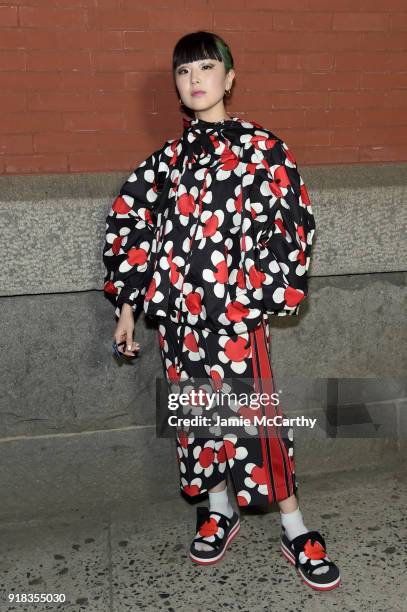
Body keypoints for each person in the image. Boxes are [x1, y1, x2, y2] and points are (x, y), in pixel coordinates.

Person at [103, 31, 341, 591]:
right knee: (196, 419)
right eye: (184, 73)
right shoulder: (164, 163)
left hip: (235, 321)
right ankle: (218, 510)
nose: (196, 81)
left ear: (229, 78)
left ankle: (296, 528)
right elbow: (133, 227)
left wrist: (255, 295)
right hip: (180, 320)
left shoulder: (264, 149)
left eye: (206, 68)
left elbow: (292, 224)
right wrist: (129, 309)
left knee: (254, 421)